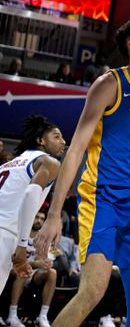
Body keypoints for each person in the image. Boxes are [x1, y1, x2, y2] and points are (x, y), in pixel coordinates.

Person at [35, 17, 130, 327]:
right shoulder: (109, 85)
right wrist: (53, 215)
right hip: (102, 200)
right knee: (93, 291)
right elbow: (75, 149)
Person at [0, 116, 64, 299]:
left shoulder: (8, 165)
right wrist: (21, 247)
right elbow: (30, 195)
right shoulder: (49, 162)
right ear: (41, 140)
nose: (63, 141)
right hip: (4, 234)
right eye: (57, 136)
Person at [6, 212, 59, 327]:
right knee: (23, 270)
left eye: (42, 218)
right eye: (36, 217)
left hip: (34, 275)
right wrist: (35, 263)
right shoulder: (19, 233)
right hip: (13, 270)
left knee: (52, 273)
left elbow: (51, 259)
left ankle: (43, 316)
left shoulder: (44, 237)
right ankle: (12, 316)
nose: (39, 220)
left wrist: (46, 263)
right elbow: (12, 259)